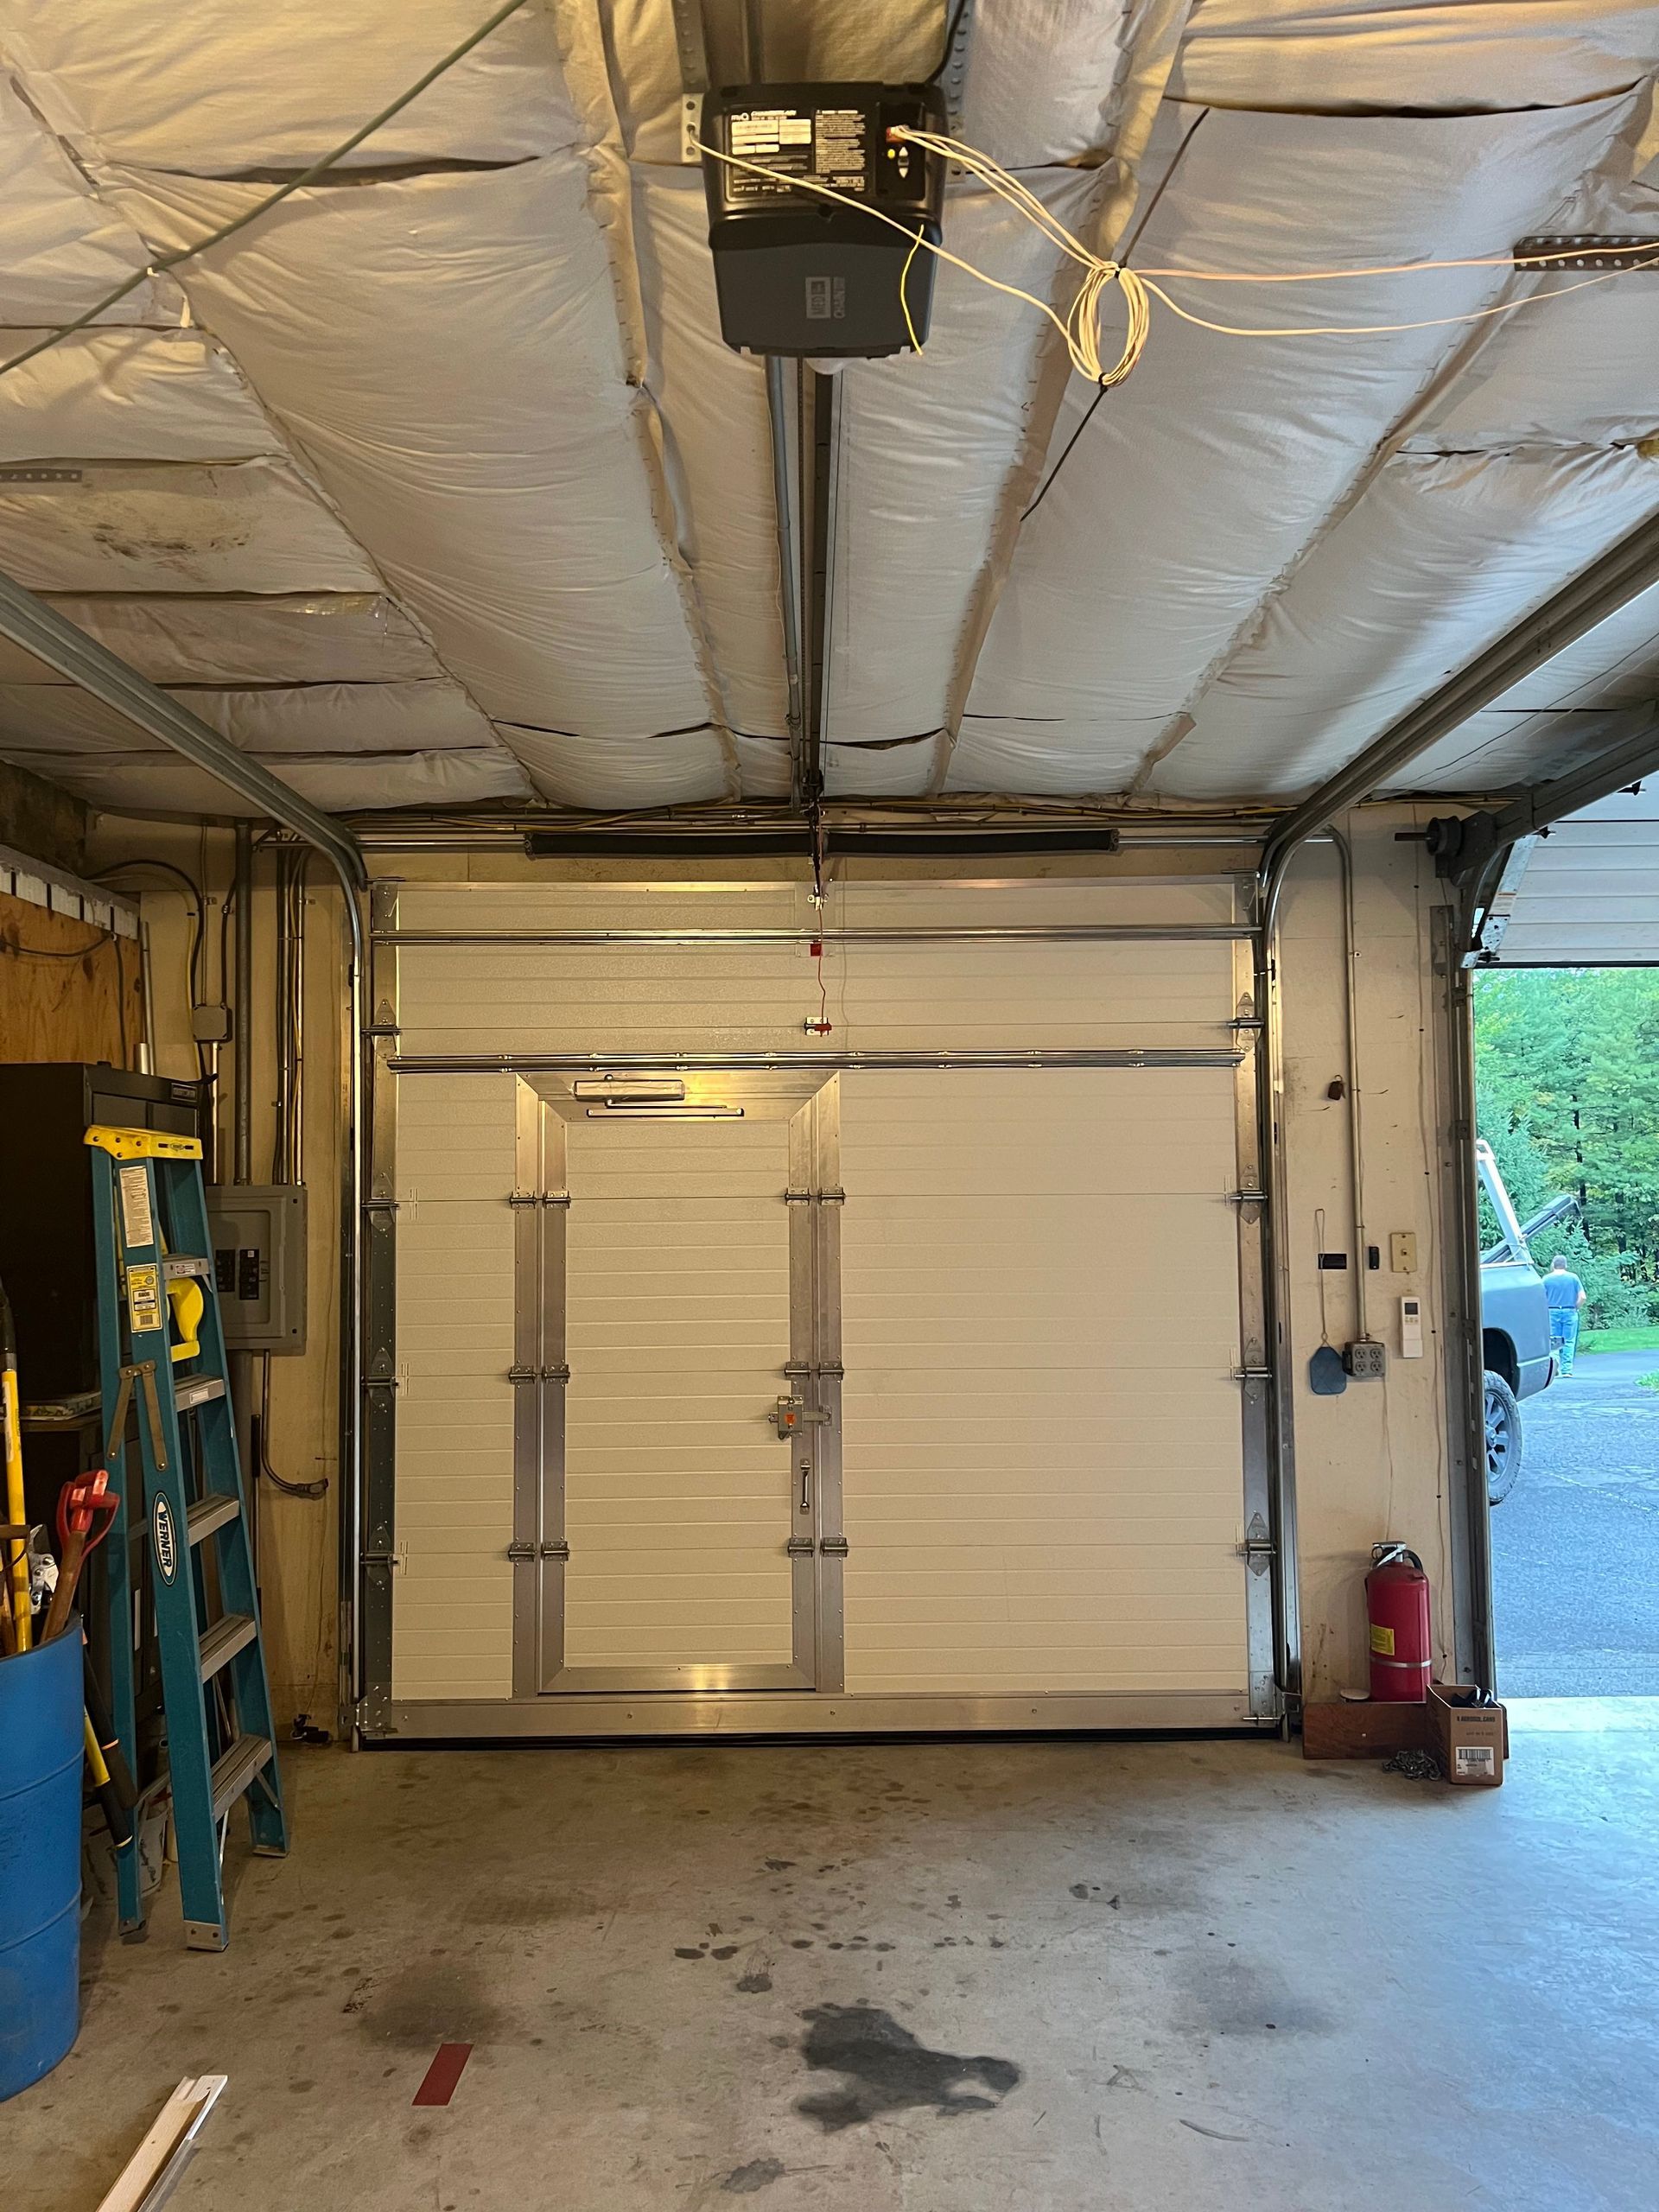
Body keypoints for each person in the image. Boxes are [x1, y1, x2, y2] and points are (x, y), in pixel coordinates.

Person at [1543, 1253, 1586, 1376]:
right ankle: (1567, 1370)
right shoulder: (1573, 1278)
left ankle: (1554, 1368)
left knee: (1553, 1341)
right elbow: (1583, 1297)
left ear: (1553, 1265)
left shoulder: (1546, 1279)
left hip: (1551, 1312)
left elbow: (1541, 1298)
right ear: (1565, 1265)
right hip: (1569, 1311)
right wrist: (1576, 1307)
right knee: (1569, 1341)